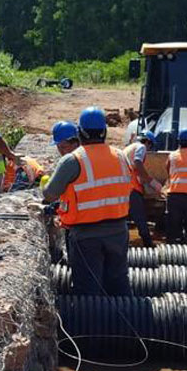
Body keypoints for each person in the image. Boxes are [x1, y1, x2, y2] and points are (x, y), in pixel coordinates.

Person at [42, 107, 133, 296]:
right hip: (118, 231)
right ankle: (127, 321)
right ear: (105, 131)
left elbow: (50, 194)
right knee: (119, 285)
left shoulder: (73, 160)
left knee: (88, 293)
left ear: (80, 132)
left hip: (86, 237)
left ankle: (94, 325)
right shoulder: (121, 156)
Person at [123, 131, 163, 248]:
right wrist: (152, 182)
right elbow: (138, 163)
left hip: (123, 187)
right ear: (148, 142)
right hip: (131, 188)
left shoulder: (129, 148)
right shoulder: (141, 147)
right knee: (139, 216)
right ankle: (148, 243)